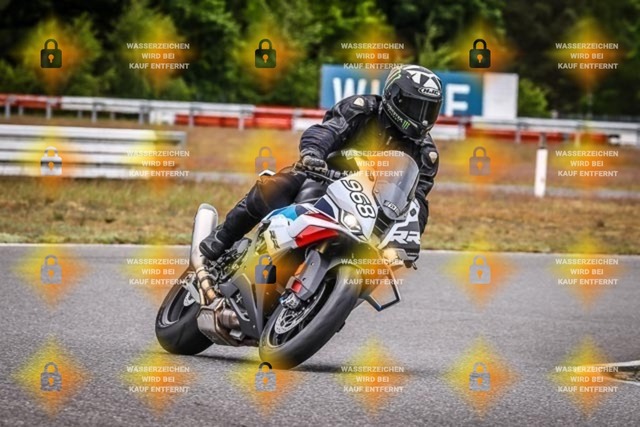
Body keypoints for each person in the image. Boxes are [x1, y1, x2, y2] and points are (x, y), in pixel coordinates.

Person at [199, 64, 442, 261]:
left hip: (372, 207)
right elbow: (328, 131)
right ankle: (224, 237)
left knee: (382, 262)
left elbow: (417, 201)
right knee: (281, 183)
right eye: (415, 107)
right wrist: (312, 155)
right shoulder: (363, 110)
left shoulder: (425, 153)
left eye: (428, 110)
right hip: (327, 177)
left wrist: (412, 236)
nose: (422, 119)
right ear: (394, 97)